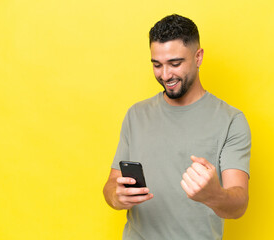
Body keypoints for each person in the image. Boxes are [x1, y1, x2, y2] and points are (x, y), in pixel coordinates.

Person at [103, 14, 251, 240]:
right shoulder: (136, 114)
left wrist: (213, 194)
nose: (165, 75)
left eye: (175, 63)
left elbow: (239, 204)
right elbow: (111, 185)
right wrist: (117, 197)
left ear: (198, 57)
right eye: (157, 65)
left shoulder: (231, 121)